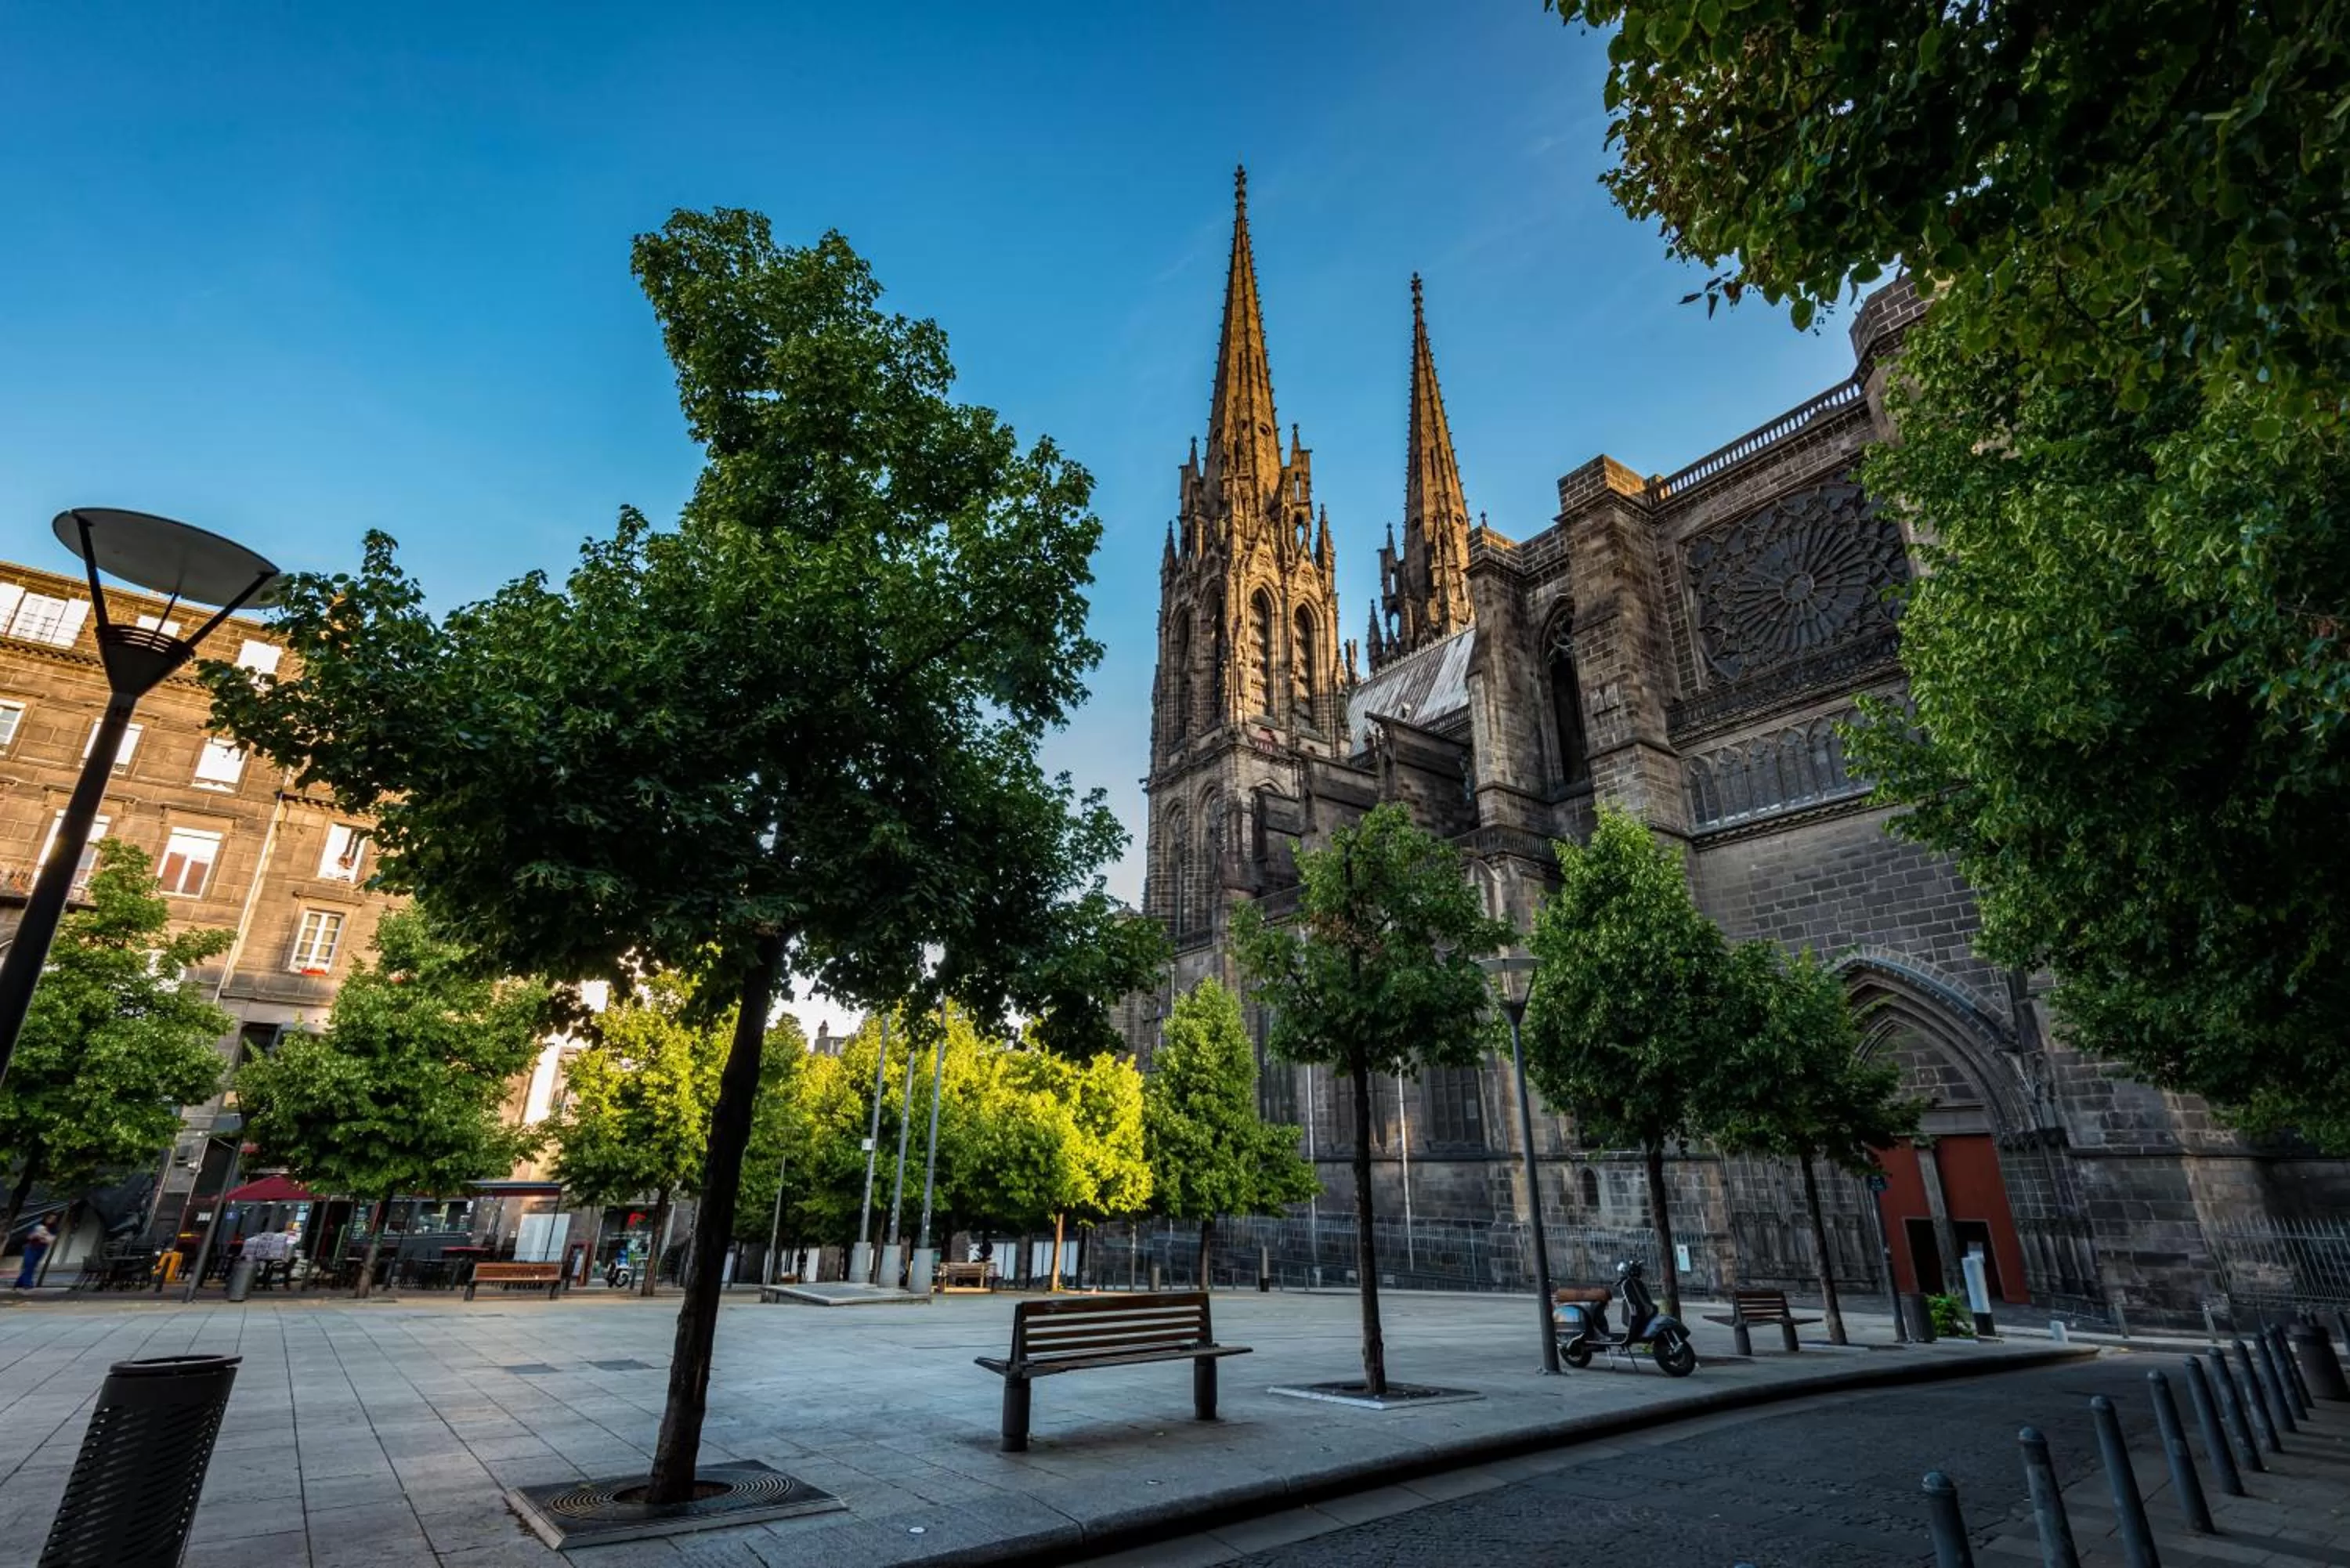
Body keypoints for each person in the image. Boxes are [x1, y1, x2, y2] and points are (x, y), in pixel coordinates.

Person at [13, 1218, 56, 1290]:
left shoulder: (53, 1229)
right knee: (28, 1264)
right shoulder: (37, 1226)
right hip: (31, 1247)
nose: (51, 1220)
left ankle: (19, 1283)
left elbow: (50, 1240)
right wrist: (38, 1235)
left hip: (41, 1249)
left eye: (53, 1218)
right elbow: (29, 1237)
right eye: (50, 1218)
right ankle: (28, 1284)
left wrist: (43, 1237)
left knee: (32, 1266)